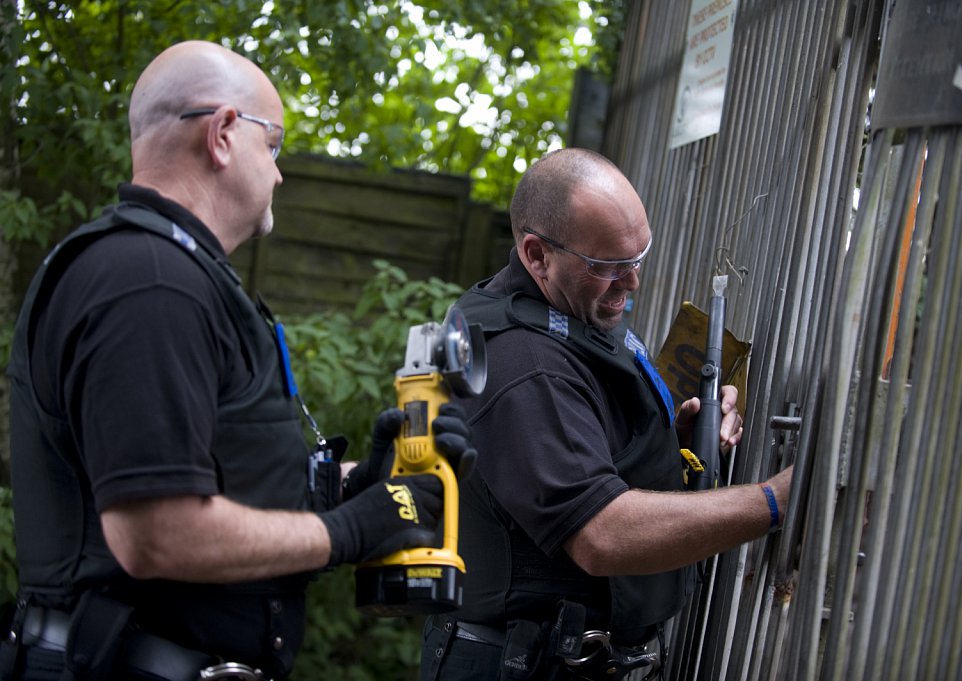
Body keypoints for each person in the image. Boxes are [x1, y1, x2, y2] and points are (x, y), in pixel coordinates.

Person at [1, 40, 473, 681]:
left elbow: (226, 480)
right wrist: (350, 532)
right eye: (272, 145)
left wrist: (350, 488)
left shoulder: (179, 279)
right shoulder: (147, 282)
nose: (279, 172)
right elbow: (157, 531)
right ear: (223, 133)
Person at [420, 148, 793, 681]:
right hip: (520, 665)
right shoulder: (522, 361)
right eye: (609, 266)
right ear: (536, 255)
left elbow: (573, 438)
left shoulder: (565, 310)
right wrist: (777, 500)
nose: (633, 282)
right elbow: (601, 535)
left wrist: (673, 440)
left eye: (639, 257)